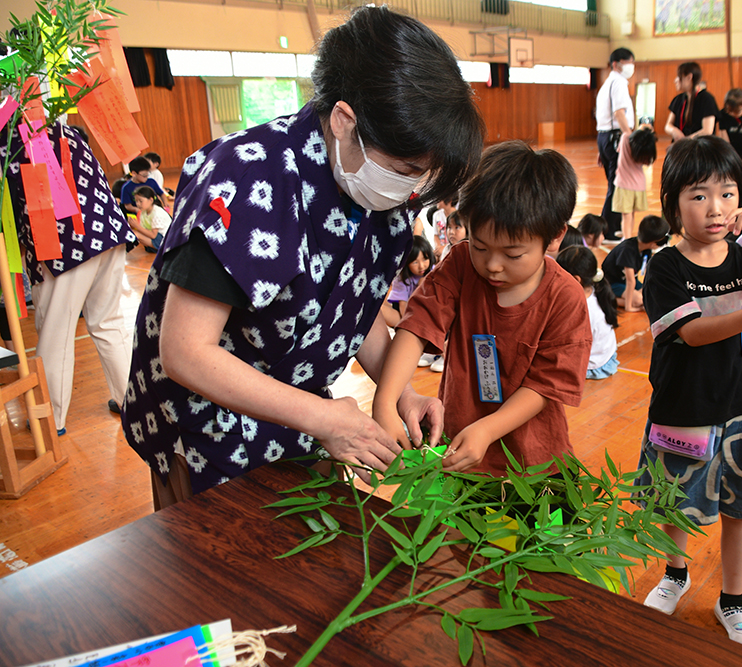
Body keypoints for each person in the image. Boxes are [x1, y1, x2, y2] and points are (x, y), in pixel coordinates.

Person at [119, 5, 485, 506]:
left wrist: (400, 391)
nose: (413, 188)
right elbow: (185, 351)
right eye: (405, 168)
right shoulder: (248, 176)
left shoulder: (385, 199)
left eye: (425, 175)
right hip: (206, 423)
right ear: (343, 120)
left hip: (298, 417)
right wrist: (323, 417)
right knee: (218, 568)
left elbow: (351, 314)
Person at [636, 135, 742, 652]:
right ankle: (675, 574)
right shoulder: (665, 267)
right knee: (673, 504)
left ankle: (731, 602)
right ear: (673, 204)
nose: (717, 208)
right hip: (682, 410)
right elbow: (689, 332)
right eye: (699, 195)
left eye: (728, 193)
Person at [371, 141, 591, 474]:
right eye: (480, 246)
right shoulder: (460, 265)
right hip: (459, 450)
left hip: (534, 462)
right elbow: (416, 327)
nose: (493, 266)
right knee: (452, 526)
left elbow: (544, 386)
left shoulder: (565, 298)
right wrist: (386, 401)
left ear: (555, 236)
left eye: (513, 254)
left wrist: (487, 429)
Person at [1, 122, 135, 434]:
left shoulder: (6, 140)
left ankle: (51, 421)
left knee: (55, 333)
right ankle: (129, 400)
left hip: (62, 244)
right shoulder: (61, 127)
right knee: (108, 322)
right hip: (107, 232)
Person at [556, 245, 618, 380]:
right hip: (607, 354)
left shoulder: (582, 309)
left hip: (595, 365)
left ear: (576, 279)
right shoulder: (595, 289)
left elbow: (572, 347)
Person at [595, 47, 636, 239]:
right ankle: (608, 229)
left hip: (605, 137)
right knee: (617, 186)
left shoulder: (607, 84)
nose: (631, 66)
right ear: (615, 64)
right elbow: (619, 113)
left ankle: (611, 226)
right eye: (628, 62)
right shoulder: (618, 82)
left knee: (614, 184)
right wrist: (629, 136)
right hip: (615, 137)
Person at [601, 214, 669, 312]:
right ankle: (607, 300)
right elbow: (630, 281)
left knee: (653, 294)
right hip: (612, 282)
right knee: (639, 300)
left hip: (628, 281)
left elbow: (647, 276)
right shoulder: (627, 250)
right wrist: (629, 307)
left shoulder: (646, 250)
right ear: (653, 242)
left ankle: (633, 299)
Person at [613, 124, 658, 240]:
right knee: (631, 214)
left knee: (626, 216)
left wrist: (641, 128)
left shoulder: (625, 139)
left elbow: (629, 134)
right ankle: (627, 235)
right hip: (639, 186)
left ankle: (626, 239)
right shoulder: (645, 149)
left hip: (624, 185)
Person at [381, 236, 435, 328]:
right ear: (406, 263)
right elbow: (403, 306)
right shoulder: (401, 279)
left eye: (425, 259)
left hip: (425, 309)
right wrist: (410, 322)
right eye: (415, 262)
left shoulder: (434, 271)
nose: (421, 266)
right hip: (404, 310)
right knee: (382, 311)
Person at [664, 62, 718, 141]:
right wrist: (674, 130)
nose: (675, 80)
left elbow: (707, 131)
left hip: (699, 148)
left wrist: (685, 141)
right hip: (681, 146)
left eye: (678, 77)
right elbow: (668, 125)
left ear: (689, 77)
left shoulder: (707, 99)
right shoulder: (678, 99)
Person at [129, 185, 172, 253]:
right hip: (157, 239)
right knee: (134, 233)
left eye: (141, 201)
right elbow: (144, 230)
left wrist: (137, 226)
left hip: (166, 241)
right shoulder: (143, 212)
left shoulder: (157, 213)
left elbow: (153, 235)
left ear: (151, 200)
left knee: (136, 234)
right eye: (136, 201)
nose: (138, 204)